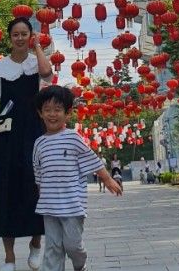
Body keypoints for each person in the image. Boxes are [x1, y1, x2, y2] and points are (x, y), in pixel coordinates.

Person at [0, 17, 53, 271]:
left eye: (24, 33)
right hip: (5, 133)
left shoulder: (35, 64)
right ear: (10, 38)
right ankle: (9, 257)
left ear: (30, 35)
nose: (20, 38)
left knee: (34, 185)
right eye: (15, 34)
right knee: (4, 188)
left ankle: (36, 242)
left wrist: (38, 47)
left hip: (34, 131)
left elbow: (48, 73)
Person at [32, 85, 122, 271]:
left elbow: (92, 159)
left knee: (73, 246)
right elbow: (38, 172)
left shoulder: (73, 138)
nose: (52, 114)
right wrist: (41, 195)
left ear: (68, 113)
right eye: (47, 110)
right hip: (49, 206)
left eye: (57, 110)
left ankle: (80, 265)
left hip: (72, 205)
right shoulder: (39, 143)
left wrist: (107, 179)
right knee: (53, 247)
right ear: (40, 113)